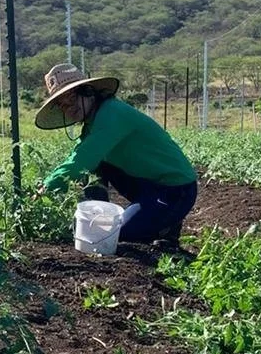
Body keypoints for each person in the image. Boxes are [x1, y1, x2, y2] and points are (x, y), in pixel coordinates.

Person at [34, 63, 197, 244]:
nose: (68, 107)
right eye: (62, 105)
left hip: (175, 189)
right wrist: (49, 184)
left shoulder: (112, 113)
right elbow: (77, 157)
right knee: (97, 170)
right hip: (147, 185)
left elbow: (82, 160)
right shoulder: (92, 123)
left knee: (114, 235)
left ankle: (165, 226)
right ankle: (98, 214)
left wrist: (46, 189)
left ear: (88, 92)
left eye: (71, 99)